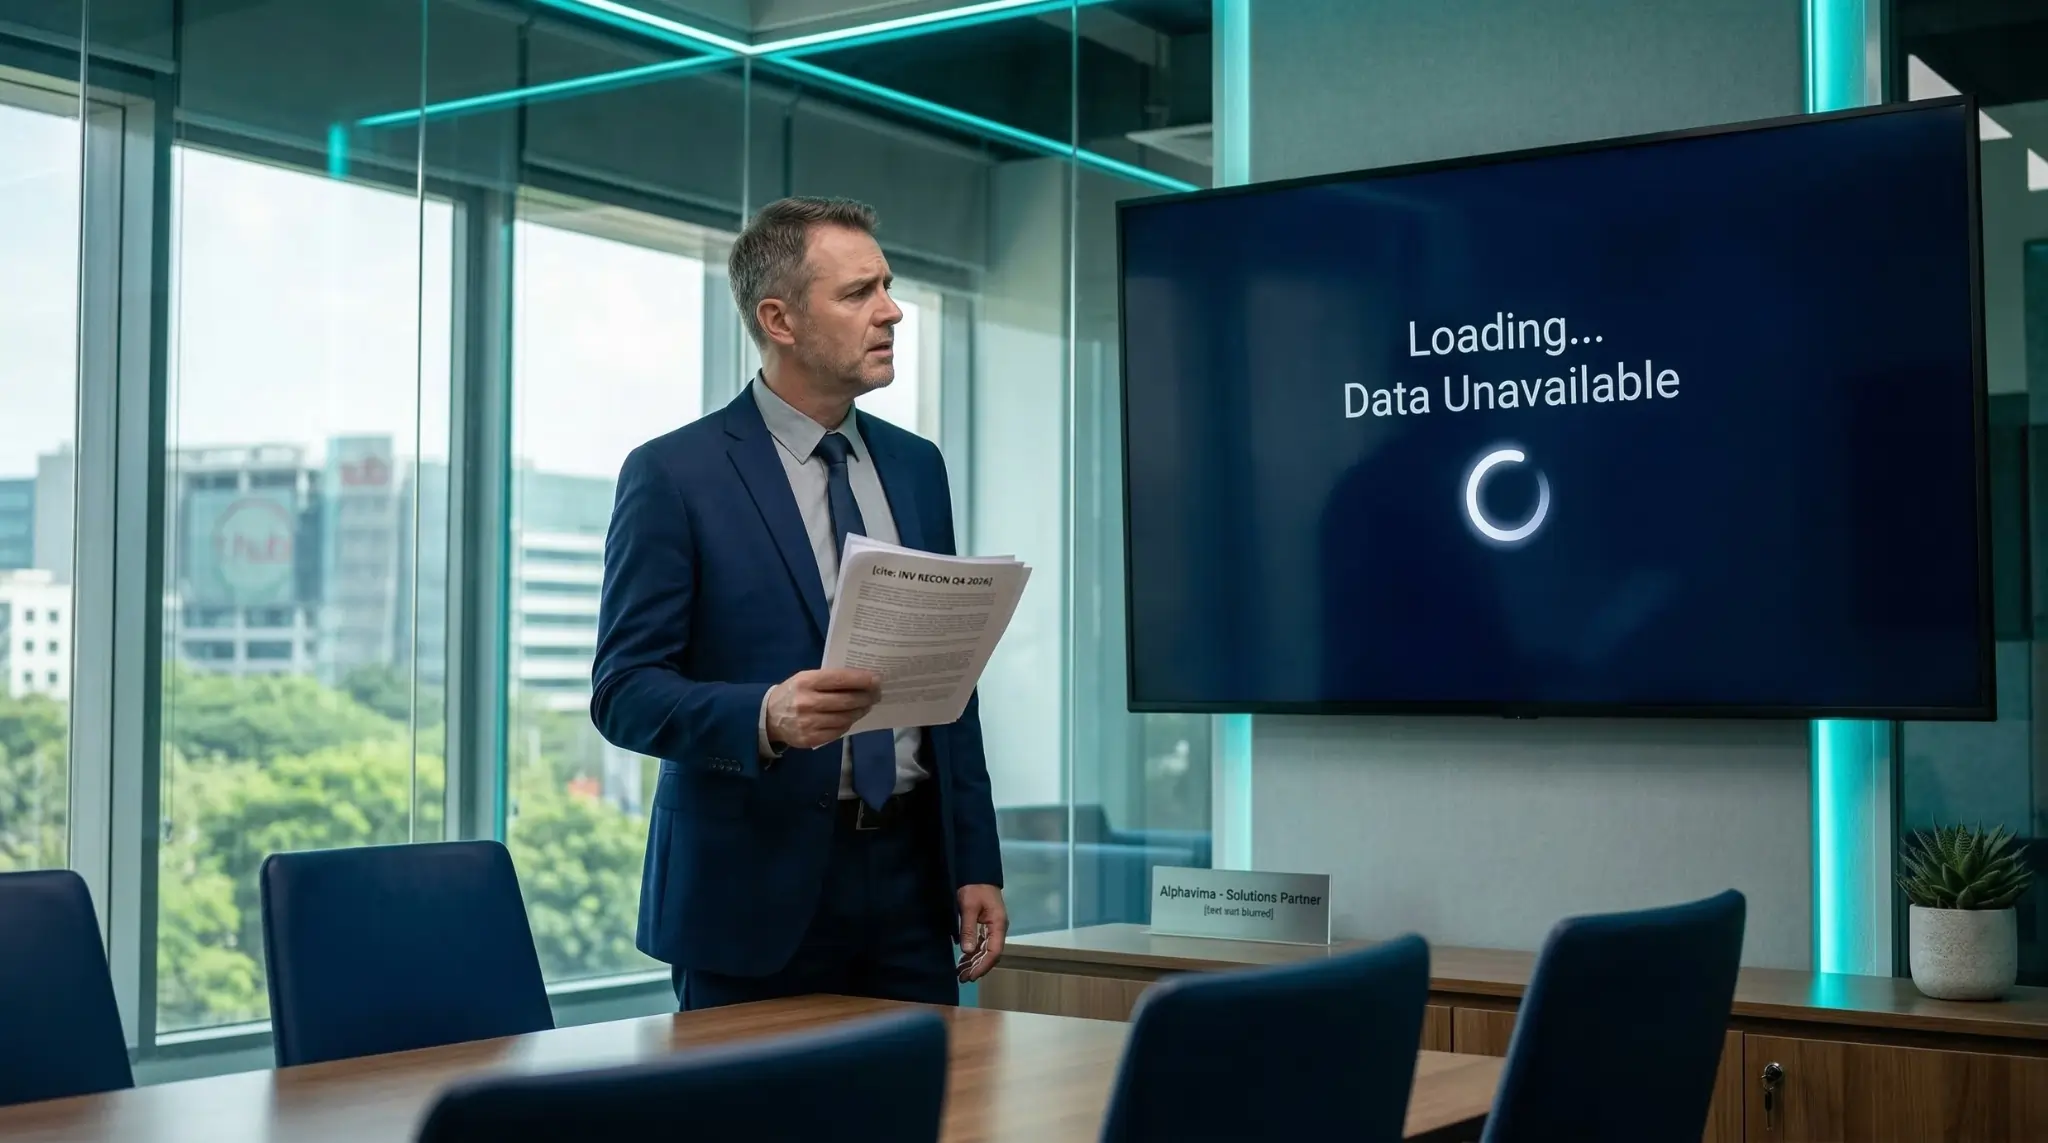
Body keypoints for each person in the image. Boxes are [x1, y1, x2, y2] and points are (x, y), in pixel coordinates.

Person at [591, 196, 1006, 1010]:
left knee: (921, 1090)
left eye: (887, 286)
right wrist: (766, 715)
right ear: (778, 319)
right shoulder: (674, 474)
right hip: (749, 893)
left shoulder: (918, 467)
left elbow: (950, 685)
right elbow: (624, 691)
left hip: (912, 886)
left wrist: (976, 860)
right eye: (858, 293)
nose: (891, 311)